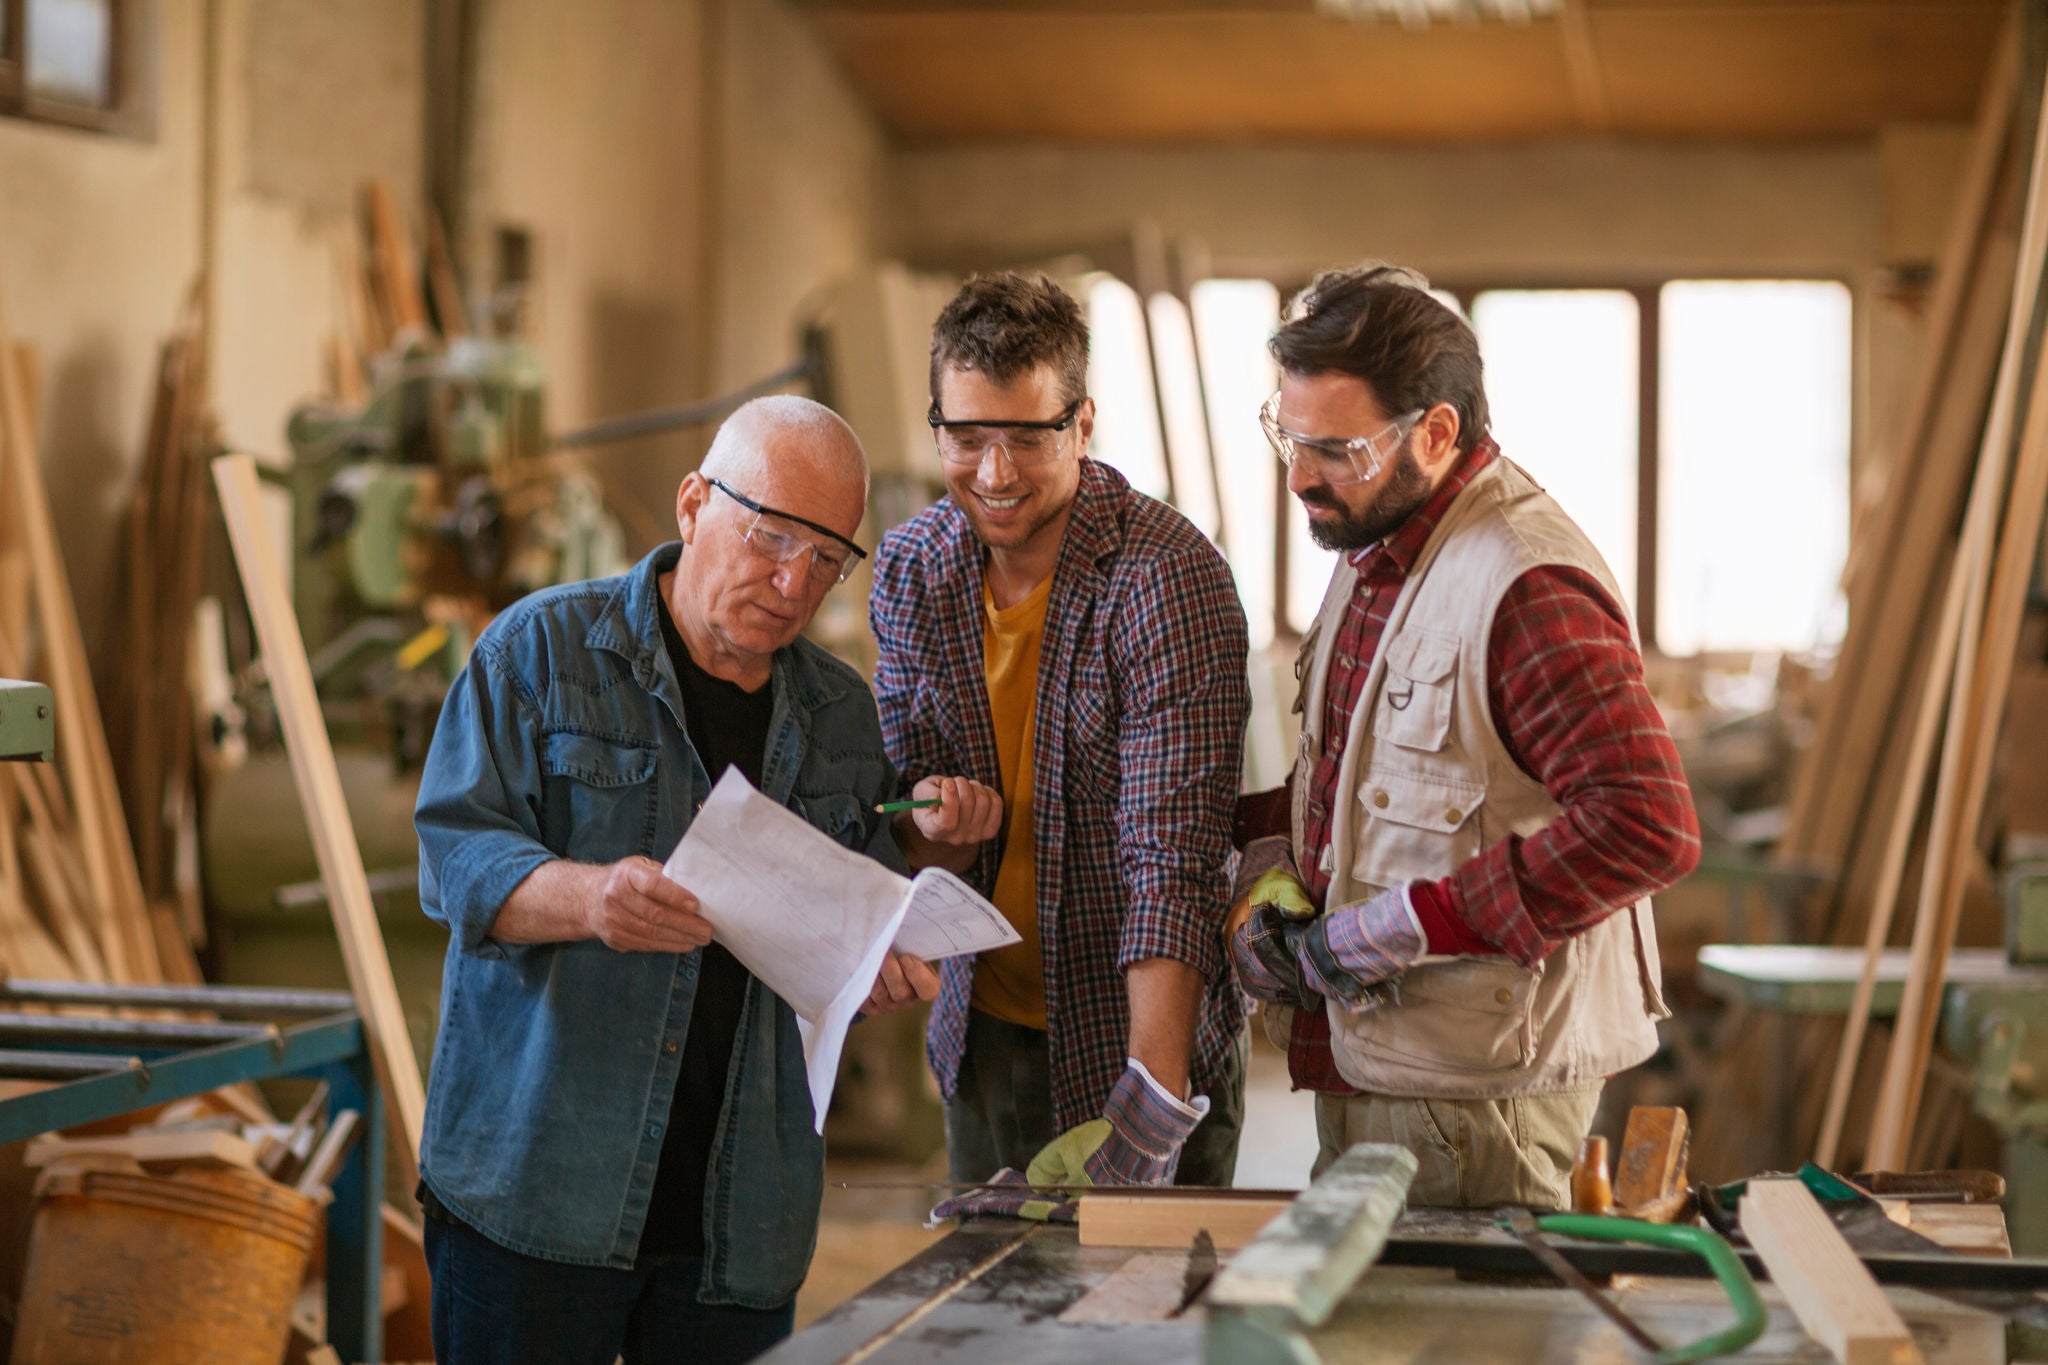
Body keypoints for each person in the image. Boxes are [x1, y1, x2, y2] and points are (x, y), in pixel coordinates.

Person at [412, 395, 998, 1363]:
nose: (790, 580)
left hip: (738, 1221)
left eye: (825, 558)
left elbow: (869, 905)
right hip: (540, 1194)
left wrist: (940, 853)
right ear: (692, 504)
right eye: (770, 535)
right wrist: (589, 898)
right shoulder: (538, 653)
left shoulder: (841, 716)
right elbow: (455, 859)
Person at [1228, 264, 1700, 1209]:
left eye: (1333, 448)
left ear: (1436, 433)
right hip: (1384, 1066)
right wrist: (1259, 841)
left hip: (1479, 1102)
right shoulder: (1379, 544)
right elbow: (1378, 783)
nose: (1298, 476)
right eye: (1287, 434)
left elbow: (1648, 826)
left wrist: (1405, 925)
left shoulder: (1525, 584)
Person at [872, 271, 1253, 1207]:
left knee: (1141, 1336)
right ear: (937, 428)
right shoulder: (914, 569)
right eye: (967, 436)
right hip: (984, 1033)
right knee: (991, 1328)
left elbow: (1175, 858)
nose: (994, 472)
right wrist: (937, 823)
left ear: (1082, 424)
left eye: (1027, 437)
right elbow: (906, 826)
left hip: (1139, 1045)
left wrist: (1153, 1105)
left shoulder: (1168, 578)